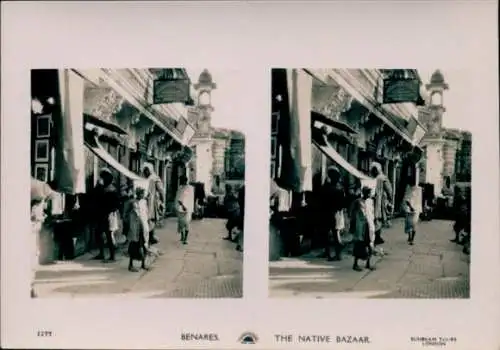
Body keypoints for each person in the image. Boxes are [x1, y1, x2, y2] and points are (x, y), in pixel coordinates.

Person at [317, 166, 347, 261]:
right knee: (335, 234)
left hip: (328, 213)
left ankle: (332, 253)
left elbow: (321, 200)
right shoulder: (339, 188)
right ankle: (334, 254)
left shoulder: (326, 187)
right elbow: (342, 204)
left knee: (329, 234)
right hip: (336, 213)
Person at [92, 168, 120, 262]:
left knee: (108, 235)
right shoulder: (106, 188)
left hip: (108, 215)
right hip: (103, 214)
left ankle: (112, 256)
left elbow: (113, 204)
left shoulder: (110, 189)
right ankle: (102, 254)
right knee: (99, 233)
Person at [350, 186, 376, 271]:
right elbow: (353, 215)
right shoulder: (358, 202)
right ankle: (355, 264)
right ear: (364, 193)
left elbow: (371, 213)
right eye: (368, 192)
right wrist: (352, 226)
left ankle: (368, 263)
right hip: (360, 227)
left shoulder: (370, 202)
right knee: (359, 245)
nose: (370, 194)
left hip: (369, 226)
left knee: (369, 245)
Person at [126, 187, 150, 272]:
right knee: (134, 246)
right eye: (141, 193)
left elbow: (146, 214)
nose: (142, 195)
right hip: (135, 228)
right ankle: (130, 265)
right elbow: (127, 216)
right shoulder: (133, 203)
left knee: (143, 245)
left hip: (142, 227)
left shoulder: (144, 202)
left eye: (143, 193)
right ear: (137, 194)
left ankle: (143, 264)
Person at [369, 162, 393, 247]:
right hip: (377, 201)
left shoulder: (377, 178)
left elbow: (389, 190)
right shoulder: (382, 178)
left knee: (376, 219)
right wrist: (390, 199)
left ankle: (376, 237)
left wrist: (389, 199)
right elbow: (389, 190)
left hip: (376, 201)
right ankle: (376, 237)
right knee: (377, 219)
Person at [142, 162, 164, 245]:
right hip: (144, 201)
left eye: (147, 170)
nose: (145, 172)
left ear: (150, 170)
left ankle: (151, 236)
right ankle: (148, 237)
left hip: (152, 201)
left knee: (151, 219)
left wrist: (162, 201)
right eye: (144, 170)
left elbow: (161, 191)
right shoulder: (143, 178)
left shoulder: (155, 178)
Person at [176, 176, 194, 244]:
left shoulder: (188, 188)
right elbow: (178, 197)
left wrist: (183, 206)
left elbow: (182, 198)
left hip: (186, 208)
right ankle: (183, 237)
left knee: (186, 223)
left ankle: (185, 238)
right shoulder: (181, 187)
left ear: (184, 180)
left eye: (181, 180)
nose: (180, 181)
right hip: (182, 208)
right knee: (181, 223)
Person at [235, 185, 245, 251]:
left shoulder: (242, 188)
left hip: (242, 212)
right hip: (244, 212)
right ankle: (240, 245)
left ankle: (239, 244)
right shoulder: (244, 189)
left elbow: (239, 200)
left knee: (242, 228)